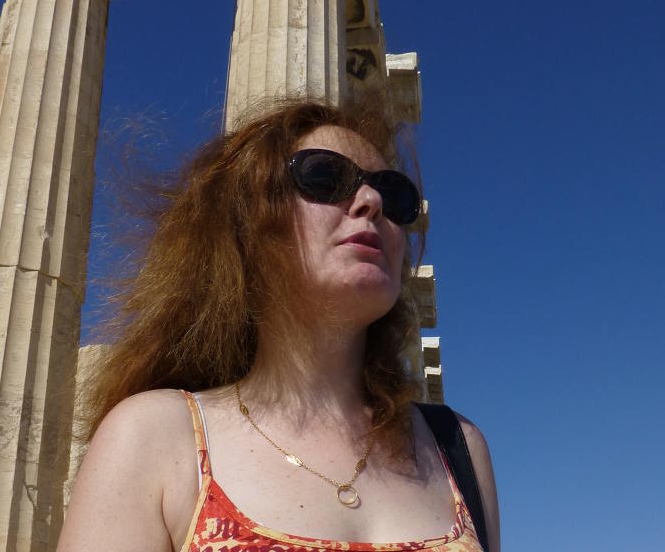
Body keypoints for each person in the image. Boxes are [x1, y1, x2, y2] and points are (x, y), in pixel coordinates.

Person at [56, 98, 500, 552]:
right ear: (247, 222)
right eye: (325, 177)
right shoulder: (154, 438)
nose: (372, 201)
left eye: (394, 194)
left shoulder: (457, 449)